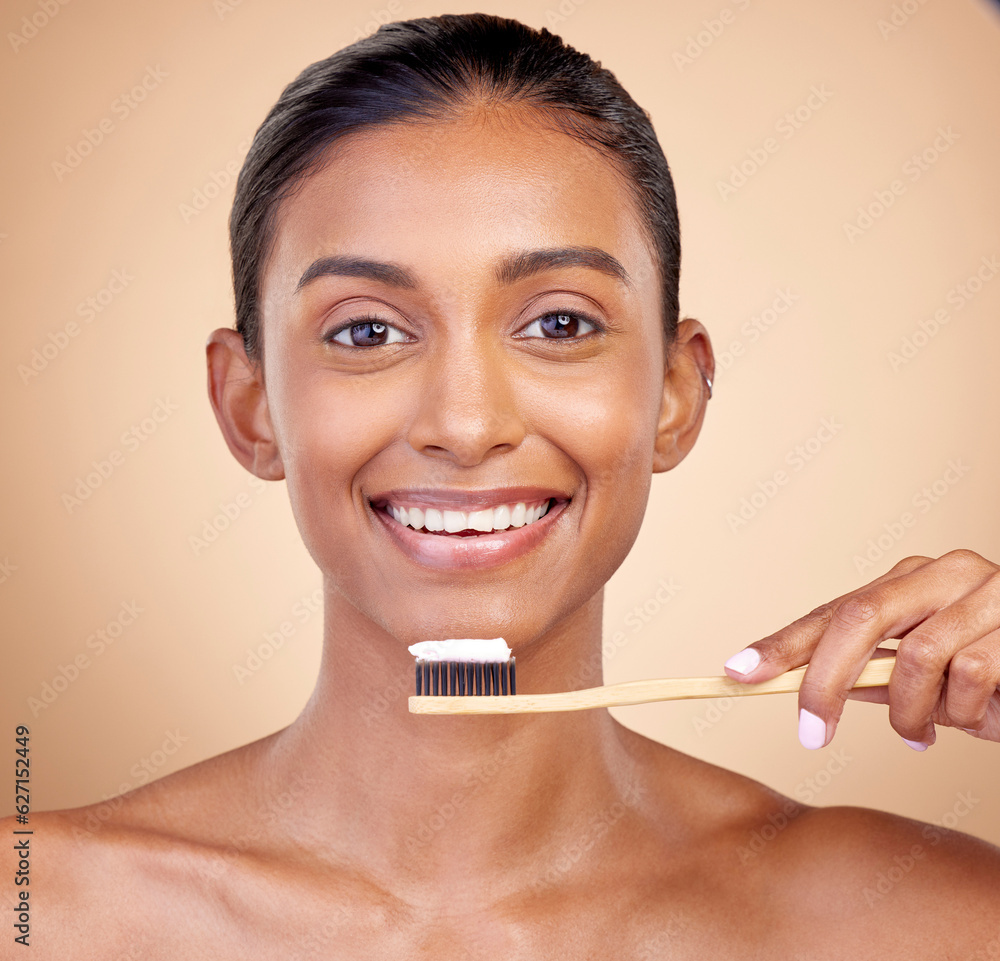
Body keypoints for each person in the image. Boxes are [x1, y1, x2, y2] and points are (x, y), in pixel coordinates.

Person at [7, 13, 999, 957]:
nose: (467, 424)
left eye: (559, 324)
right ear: (249, 403)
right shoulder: (36, 915)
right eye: (366, 331)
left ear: (675, 393)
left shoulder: (931, 922)